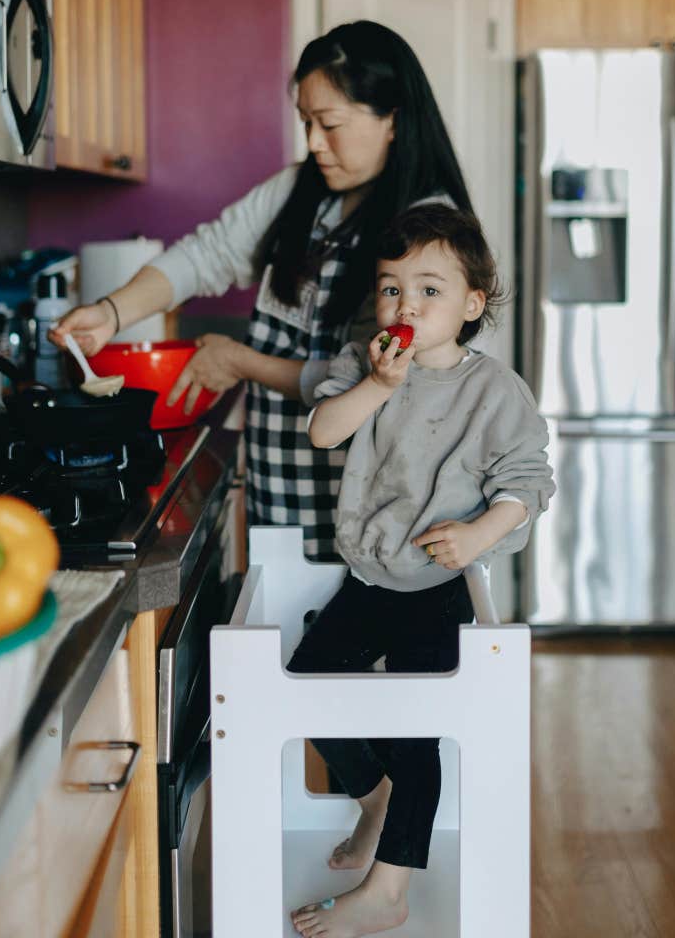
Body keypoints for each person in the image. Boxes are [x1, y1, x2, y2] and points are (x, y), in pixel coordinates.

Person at [50, 21, 475, 557]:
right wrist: (111, 314)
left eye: (330, 123)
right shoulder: (302, 190)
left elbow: (376, 375)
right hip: (284, 490)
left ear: (392, 119)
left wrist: (238, 361)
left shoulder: (429, 230)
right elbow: (207, 255)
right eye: (306, 122)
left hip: (372, 508)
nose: (314, 143)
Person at [287, 203, 555, 938]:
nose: (406, 305)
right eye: (392, 287)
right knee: (309, 681)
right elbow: (323, 428)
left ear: (472, 305)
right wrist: (377, 383)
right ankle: (375, 799)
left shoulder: (495, 391)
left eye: (429, 290)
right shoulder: (365, 360)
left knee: (418, 729)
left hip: (440, 585)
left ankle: (390, 889)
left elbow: (528, 483)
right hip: (372, 574)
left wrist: (478, 535)